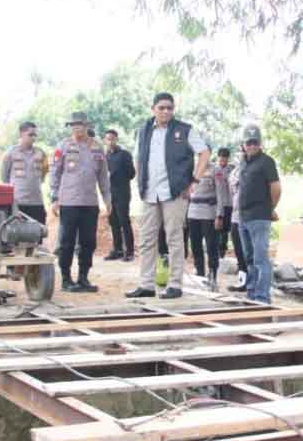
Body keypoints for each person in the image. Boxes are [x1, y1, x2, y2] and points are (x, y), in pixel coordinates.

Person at [126, 92, 209, 300]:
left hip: (174, 192)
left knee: (174, 238)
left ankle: (174, 284)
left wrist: (195, 181)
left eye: (169, 108)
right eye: (161, 107)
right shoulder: (144, 130)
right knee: (146, 240)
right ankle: (146, 284)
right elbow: (138, 157)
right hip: (149, 193)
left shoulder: (184, 130)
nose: (165, 111)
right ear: (153, 108)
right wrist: (140, 181)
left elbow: (204, 153)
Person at [50, 111, 111, 293]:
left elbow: (103, 176)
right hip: (68, 202)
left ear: (87, 126)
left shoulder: (97, 148)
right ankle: (66, 279)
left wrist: (108, 200)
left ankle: (83, 278)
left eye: (79, 124)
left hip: (90, 203)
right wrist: (54, 198)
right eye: (73, 124)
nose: (76, 127)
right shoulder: (63, 146)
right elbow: (55, 173)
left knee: (88, 242)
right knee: (66, 242)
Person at [237, 125, 279, 304]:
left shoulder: (266, 161)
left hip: (260, 217)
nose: (252, 146)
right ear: (243, 145)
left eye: (255, 143)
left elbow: (276, 188)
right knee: (249, 258)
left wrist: (270, 208)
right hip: (244, 217)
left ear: (260, 144)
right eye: (249, 143)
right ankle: (252, 293)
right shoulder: (244, 162)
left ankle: (262, 297)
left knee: (261, 258)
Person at [186, 146, 223, 290]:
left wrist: (219, 215)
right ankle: (200, 274)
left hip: (209, 213)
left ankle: (212, 275)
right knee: (195, 245)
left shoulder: (216, 170)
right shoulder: (192, 169)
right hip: (193, 213)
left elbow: (221, 194)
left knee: (211, 246)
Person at [0, 121, 49, 225]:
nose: (33, 138)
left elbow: (44, 174)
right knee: (16, 237)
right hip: (17, 203)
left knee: (37, 235)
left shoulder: (41, 153)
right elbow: (4, 177)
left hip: (36, 202)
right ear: (21, 134)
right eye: (30, 134)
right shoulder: (10, 153)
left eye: (35, 135)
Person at [103, 128, 136, 261]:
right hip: (109, 194)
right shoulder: (105, 156)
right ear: (105, 141)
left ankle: (130, 252)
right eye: (107, 139)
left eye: (112, 139)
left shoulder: (124, 154)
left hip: (122, 192)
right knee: (113, 222)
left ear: (116, 139)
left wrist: (118, 175)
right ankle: (117, 250)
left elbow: (132, 174)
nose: (110, 141)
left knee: (124, 221)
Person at [226, 144, 249, 292]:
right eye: (241, 151)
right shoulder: (236, 170)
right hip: (235, 214)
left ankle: (251, 281)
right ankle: (242, 280)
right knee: (238, 249)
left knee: (248, 250)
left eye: (243, 151)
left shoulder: (252, 168)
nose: (241, 154)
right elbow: (231, 188)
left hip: (249, 215)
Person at [214, 147, 234, 258]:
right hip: (216, 204)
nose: (223, 162)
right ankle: (215, 252)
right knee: (216, 229)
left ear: (228, 159)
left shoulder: (232, 169)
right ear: (218, 157)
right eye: (221, 159)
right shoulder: (214, 169)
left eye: (225, 159)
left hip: (229, 204)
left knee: (225, 230)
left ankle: (222, 252)